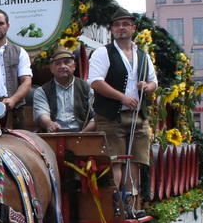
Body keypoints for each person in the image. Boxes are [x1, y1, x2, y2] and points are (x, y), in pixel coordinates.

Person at [88, 13, 158, 199]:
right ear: (112, 29)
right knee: (116, 162)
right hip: (111, 116)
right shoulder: (103, 52)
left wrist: (147, 87)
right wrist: (122, 98)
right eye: (117, 25)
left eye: (125, 24)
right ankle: (115, 206)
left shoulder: (143, 54)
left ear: (133, 28)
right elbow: (95, 82)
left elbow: (153, 82)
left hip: (137, 117)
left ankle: (131, 205)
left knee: (135, 162)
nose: (121, 28)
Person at [32, 47, 96, 133]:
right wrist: (49, 124)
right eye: (58, 63)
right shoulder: (42, 91)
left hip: (83, 135)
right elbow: (41, 113)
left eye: (67, 62)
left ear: (74, 66)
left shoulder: (87, 88)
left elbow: (96, 116)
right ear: (51, 69)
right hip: (53, 136)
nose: (63, 66)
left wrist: (83, 134)